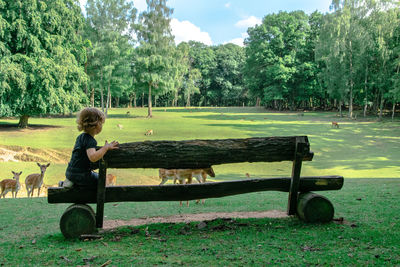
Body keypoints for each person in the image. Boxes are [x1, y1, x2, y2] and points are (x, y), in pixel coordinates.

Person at [60, 107, 119, 188]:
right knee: (103, 179)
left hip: (70, 173)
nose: (102, 126)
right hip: (82, 175)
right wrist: (106, 148)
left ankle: (69, 182)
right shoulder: (90, 141)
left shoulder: (80, 137)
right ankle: (101, 198)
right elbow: (93, 157)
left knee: (93, 175)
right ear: (95, 125)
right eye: (101, 123)